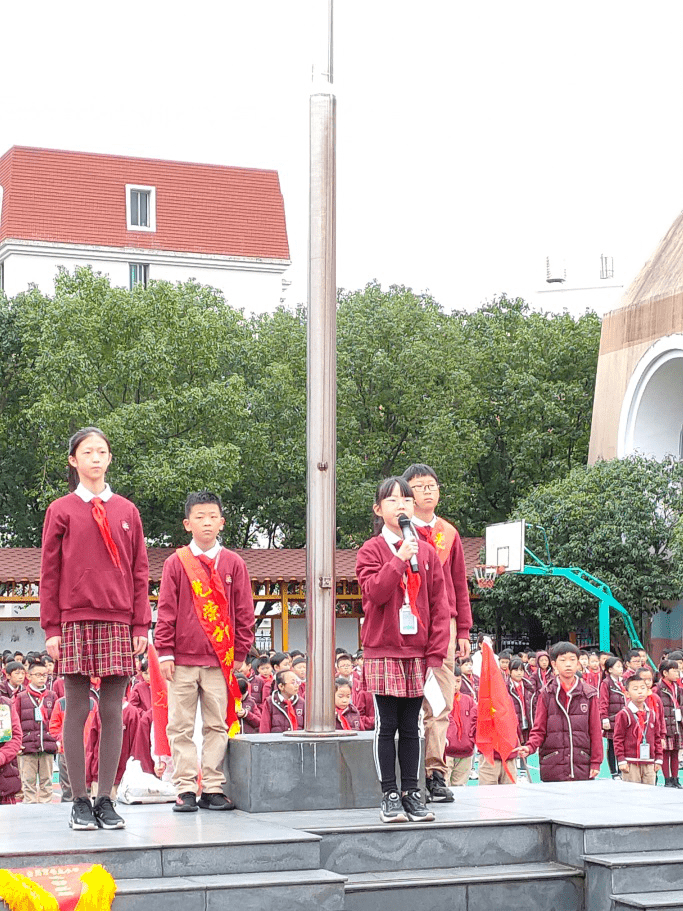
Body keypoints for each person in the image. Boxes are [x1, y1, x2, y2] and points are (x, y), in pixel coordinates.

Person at [40, 427, 151, 830]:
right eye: (87, 452)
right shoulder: (61, 510)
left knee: (112, 709)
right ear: (73, 461)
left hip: (119, 618)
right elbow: (48, 572)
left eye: (102, 451)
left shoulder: (127, 511)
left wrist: (141, 621)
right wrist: (51, 626)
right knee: (75, 705)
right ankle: (79, 800)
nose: (95, 458)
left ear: (109, 458)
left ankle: (106, 797)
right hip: (74, 619)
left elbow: (141, 570)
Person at [356, 476, 450, 823]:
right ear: (378, 510)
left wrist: (436, 652)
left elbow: (440, 605)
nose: (401, 505)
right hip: (383, 649)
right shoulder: (371, 550)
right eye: (392, 500)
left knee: (413, 726)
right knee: (387, 724)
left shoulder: (426, 552)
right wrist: (398, 559)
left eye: (406, 500)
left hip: (417, 652)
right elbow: (375, 594)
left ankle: (413, 792)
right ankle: (389, 794)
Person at [155, 490, 255, 812]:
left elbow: (245, 611)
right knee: (180, 726)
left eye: (212, 516)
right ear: (188, 523)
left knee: (216, 725)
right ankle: (185, 787)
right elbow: (166, 609)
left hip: (219, 661)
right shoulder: (175, 562)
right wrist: (165, 652)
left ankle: (212, 785)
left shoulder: (233, 563)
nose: (207, 522)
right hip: (181, 661)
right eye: (199, 517)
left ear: (222, 522)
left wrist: (240, 652)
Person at [402, 464, 472, 804]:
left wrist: (464, 629)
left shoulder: (449, 532)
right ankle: (404, 774)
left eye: (432, 486)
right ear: (407, 494)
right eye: (419, 486)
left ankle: (436, 772)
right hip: (409, 624)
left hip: (445, 624)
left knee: (440, 702)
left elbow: (460, 583)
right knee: (406, 702)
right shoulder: (400, 530)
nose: (427, 491)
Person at [519, 642, 603, 781]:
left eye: (572, 660)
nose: (568, 664)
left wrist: (596, 761)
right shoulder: (546, 693)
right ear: (554, 664)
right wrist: (529, 747)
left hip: (581, 763)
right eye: (563, 660)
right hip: (553, 763)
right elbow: (539, 729)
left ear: (578, 663)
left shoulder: (589, 694)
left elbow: (595, 730)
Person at [16, 662, 57, 803]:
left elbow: (57, 720)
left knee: (47, 781)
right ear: (29, 676)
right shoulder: (21, 697)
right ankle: (30, 808)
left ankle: (47, 808)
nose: (41, 678)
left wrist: (56, 740)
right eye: (38, 675)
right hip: (27, 746)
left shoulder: (52, 696)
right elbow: (16, 722)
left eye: (44, 675)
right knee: (28, 782)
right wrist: (18, 743)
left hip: (47, 745)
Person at [613, 671, 662, 785]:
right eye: (635, 689)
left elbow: (657, 738)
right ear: (627, 694)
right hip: (631, 762)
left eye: (642, 688)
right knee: (632, 795)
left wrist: (658, 758)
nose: (640, 691)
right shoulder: (624, 714)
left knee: (649, 793)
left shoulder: (652, 714)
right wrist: (621, 760)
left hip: (649, 762)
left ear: (648, 691)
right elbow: (618, 739)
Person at [444, 667, 477, 786]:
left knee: (460, 788)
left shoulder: (468, 700)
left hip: (465, 751)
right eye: (452, 681)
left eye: (458, 681)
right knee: (444, 786)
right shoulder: (440, 700)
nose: (455, 685)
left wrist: (471, 739)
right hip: (446, 753)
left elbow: (476, 721)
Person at [654, 659, 682, 788]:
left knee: (676, 751)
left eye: (678, 670)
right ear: (665, 673)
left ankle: (676, 779)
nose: (678, 672)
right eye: (674, 670)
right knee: (665, 752)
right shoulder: (658, 689)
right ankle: (667, 779)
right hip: (665, 725)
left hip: (676, 724)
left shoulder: (678, 688)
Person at [599, 656, 627, 778]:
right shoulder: (606, 683)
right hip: (612, 718)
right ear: (609, 670)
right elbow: (603, 702)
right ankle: (613, 771)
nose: (621, 669)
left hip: (624, 718)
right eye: (618, 667)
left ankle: (622, 769)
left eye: (621, 666)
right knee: (612, 745)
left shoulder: (624, 682)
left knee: (623, 744)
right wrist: (604, 718)